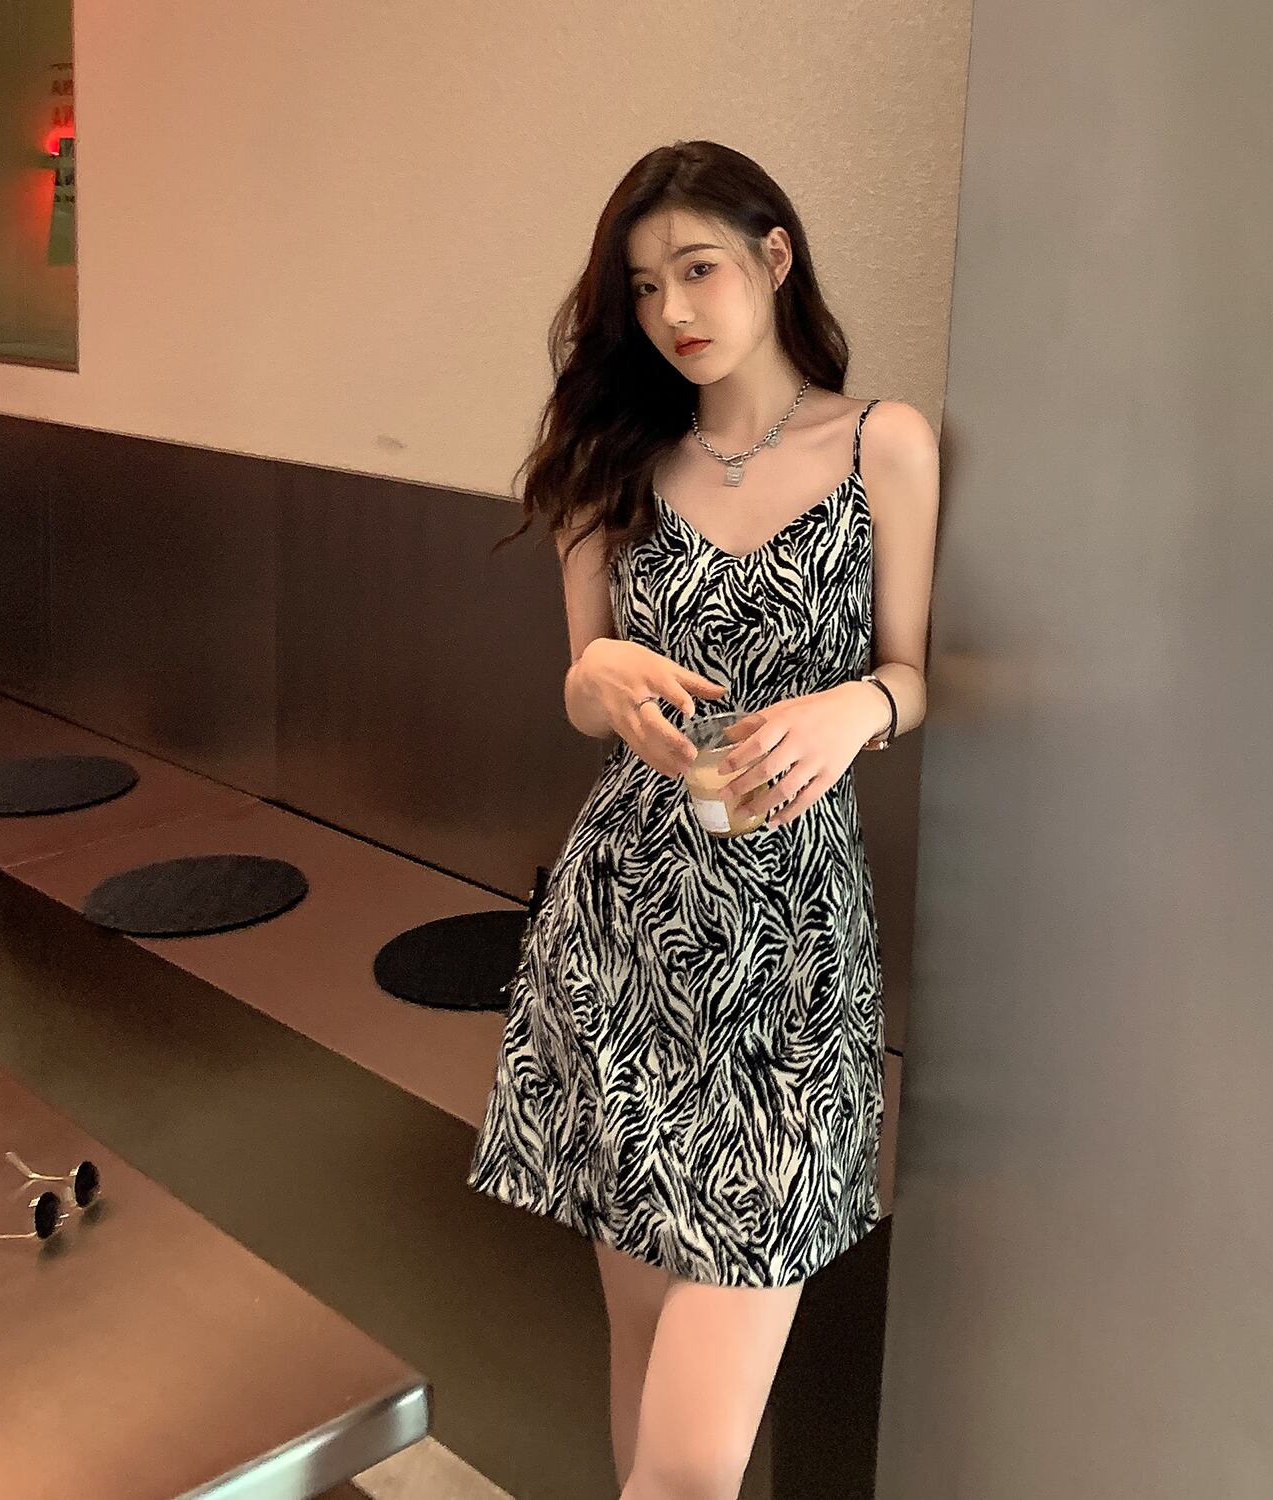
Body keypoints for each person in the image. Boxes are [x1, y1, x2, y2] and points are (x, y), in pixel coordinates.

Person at [468, 139, 940, 1500]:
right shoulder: (611, 461)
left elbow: (912, 670)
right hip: (625, 930)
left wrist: (861, 708)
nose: (673, 310)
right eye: (644, 285)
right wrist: (597, 676)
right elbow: (582, 686)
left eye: (699, 269)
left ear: (773, 258)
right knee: (641, 1363)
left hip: (793, 956)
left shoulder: (883, 443)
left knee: (687, 1461)